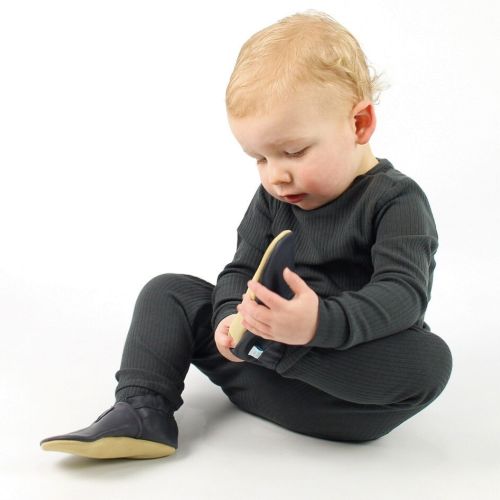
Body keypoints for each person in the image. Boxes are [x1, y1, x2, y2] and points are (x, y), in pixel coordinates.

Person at [40, 10, 453, 460]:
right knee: (170, 292)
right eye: (259, 158)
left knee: (431, 363)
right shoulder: (275, 198)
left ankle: (277, 349)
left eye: (293, 152)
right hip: (255, 370)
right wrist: (226, 318)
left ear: (359, 124)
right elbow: (241, 267)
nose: (276, 176)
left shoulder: (396, 202)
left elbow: (402, 295)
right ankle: (143, 410)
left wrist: (316, 326)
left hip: (346, 390)